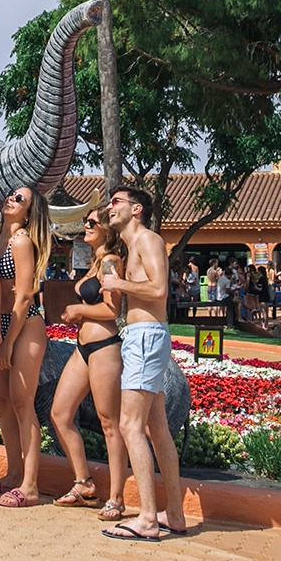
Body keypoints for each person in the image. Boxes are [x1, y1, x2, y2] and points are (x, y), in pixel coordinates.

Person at [99, 186, 186, 542]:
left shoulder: (148, 239)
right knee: (157, 427)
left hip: (146, 335)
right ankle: (175, 514)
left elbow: (160, 290)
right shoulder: (132, 245)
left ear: (136, 209)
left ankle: (148, 519)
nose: (109, 207)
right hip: (146, 335)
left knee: (129, 425)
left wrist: (118, 282)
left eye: (116, 202)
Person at [50, 205, 130, 522]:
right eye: (86, 221)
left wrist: (79, 312)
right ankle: (83, 483)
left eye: (92, 222)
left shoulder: (111, 261)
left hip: (105, 348)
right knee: (60, 413)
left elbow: (113, 310)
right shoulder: (95, 261)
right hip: (83, 348)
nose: (86, 225)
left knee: (110, 424)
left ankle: (117, 498)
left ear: (109, 230)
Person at [0, 184, 52, 507]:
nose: (11, 199)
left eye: (19, 199)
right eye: (11, 194)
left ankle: (30, 485)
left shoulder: (21, 241)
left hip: (25, 325)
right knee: (3, 401)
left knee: (23, 402)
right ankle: (13, 472)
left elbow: (24, 296)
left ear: (28, 211)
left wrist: (8, 342)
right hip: (1, 325)